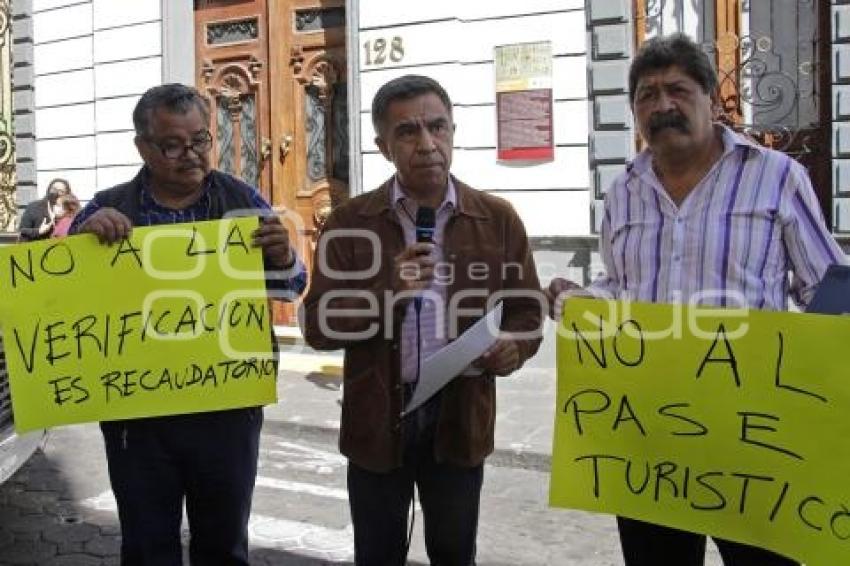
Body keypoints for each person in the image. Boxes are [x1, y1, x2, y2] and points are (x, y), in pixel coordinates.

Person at [545, 33, 844, 566]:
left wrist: (819, 397)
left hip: (755, 439)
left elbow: (827, 291)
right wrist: (583, 299)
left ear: (711, 97)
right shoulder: (624, 190)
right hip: (651, 441)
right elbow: (623, 285)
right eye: (646, 95)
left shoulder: (777, 177)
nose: (662, 106)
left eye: (678, 90)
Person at [302, 75, 543, 565]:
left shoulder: (497, 218)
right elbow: (317, 325)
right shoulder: (351, 222)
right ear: (383, 146)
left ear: (453, 130)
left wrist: (515, 347)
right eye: (408, 132)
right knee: (376, 552)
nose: (427, 144)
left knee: (454, 552)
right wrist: (388, 290)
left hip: (459, 420)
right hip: (377, 422)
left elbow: (527, 311)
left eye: (438, 127)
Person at [69, 83, 307, 564]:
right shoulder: (108, 208)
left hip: (226, 411)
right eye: (172, 145)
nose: (190, 155)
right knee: (146, 545)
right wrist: (83, 235)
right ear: (142, 146)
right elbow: (63, 292)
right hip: (137, 415)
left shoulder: (242, 200)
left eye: (200, 140)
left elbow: (292, 286)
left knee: (223, 546)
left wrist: (283, 256)